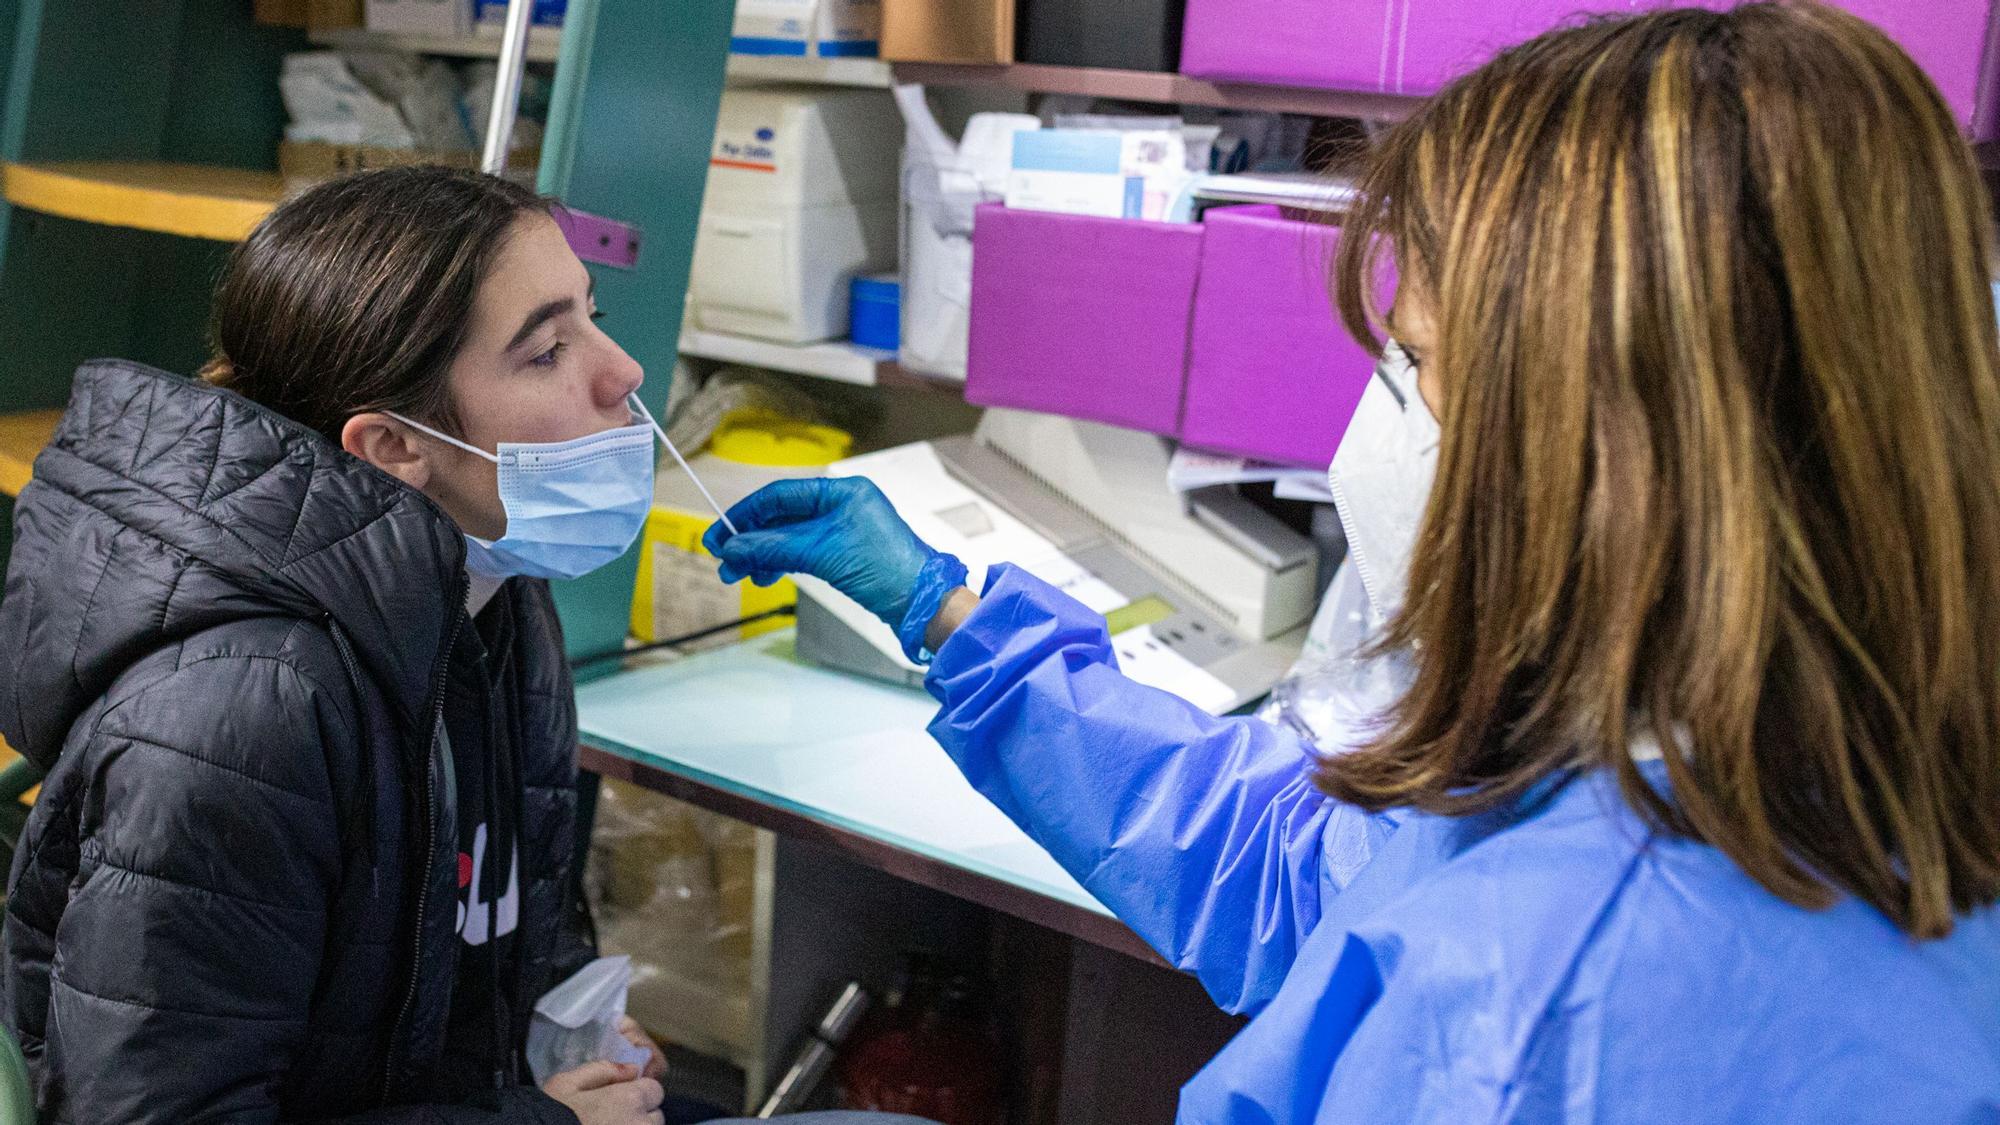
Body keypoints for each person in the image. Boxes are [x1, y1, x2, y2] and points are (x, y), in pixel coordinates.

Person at [702, 5, 2000, 1121]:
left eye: (1421, 366)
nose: (1385, 429)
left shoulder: (1547, 1002)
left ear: (1608, 441)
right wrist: (951, 612)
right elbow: (1308, 867)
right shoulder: (1766, 775)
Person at [0, 168, 934, 1125]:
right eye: (545, 352)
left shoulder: (492, 597)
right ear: (393, 448)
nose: (623, 372)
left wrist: (566, 1018)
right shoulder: (236, 717)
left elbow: (479, 914)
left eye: (592, 314)